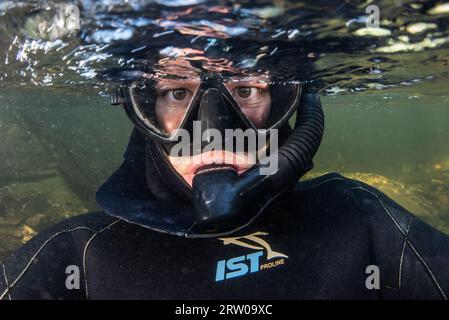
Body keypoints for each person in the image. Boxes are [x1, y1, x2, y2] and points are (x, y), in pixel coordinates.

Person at [1, 58, 448, 300]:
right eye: (176, 92)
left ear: (291, 107)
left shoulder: (362, 220)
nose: (213, 131)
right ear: (141, 113)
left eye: (247, 90)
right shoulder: (71, 258)